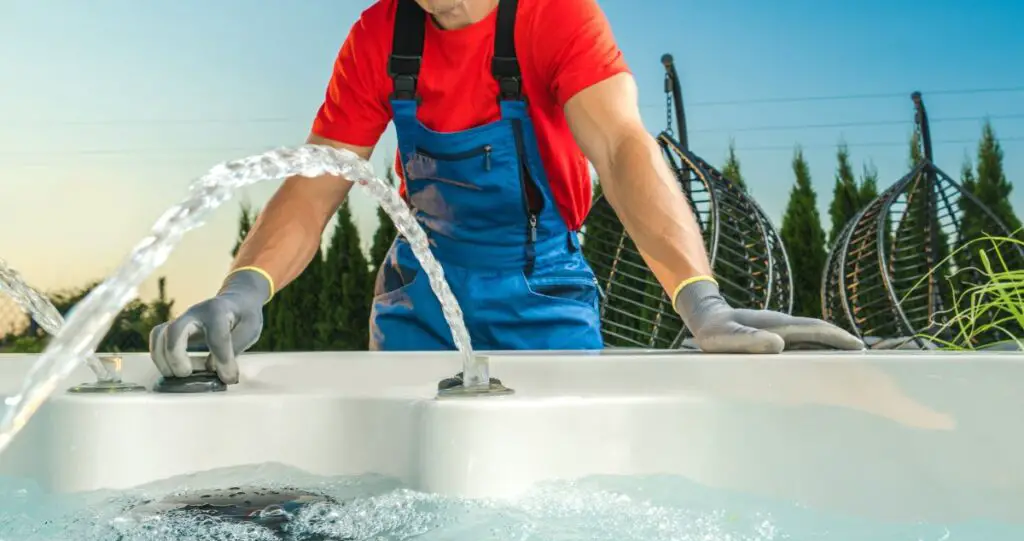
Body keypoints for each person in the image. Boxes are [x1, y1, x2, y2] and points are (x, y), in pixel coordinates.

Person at [149, 0, 864, 384]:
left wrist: (699, 301)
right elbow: (314, 188)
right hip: (420, 298)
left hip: (543, 292)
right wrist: (245, 287)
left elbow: (620, 149)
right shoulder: (377, 37)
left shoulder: (557, 16)